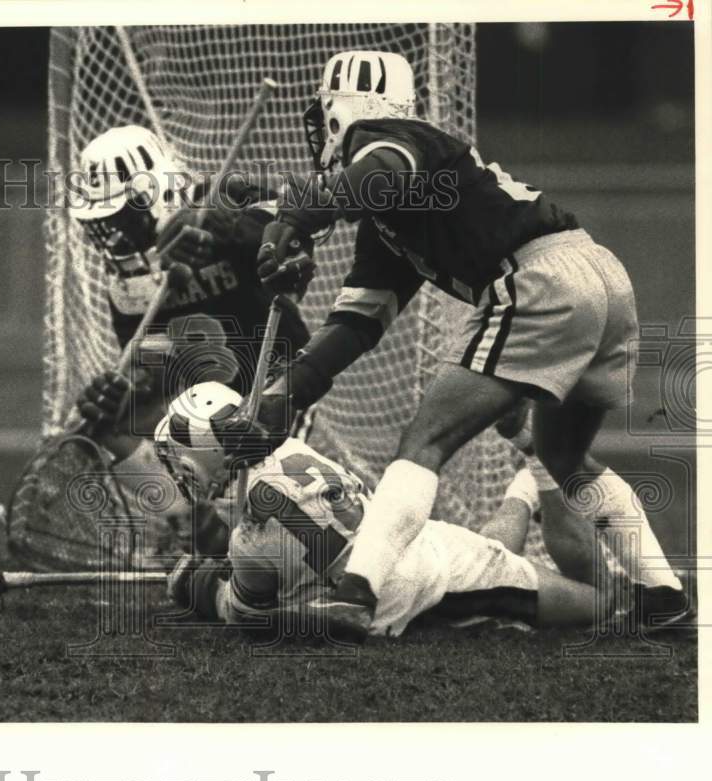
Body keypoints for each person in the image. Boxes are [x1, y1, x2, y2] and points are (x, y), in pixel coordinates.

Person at [216, 50, 643, 634]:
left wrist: (293, 217)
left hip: (542, 279)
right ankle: (663, 591)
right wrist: (288, 391)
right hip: (598, 276)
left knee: (424, 443)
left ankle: (356, 590)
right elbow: (358, 321)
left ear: (342, 112)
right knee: (560, 458)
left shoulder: (392, 141)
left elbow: (377, 174)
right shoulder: (392, 220)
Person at [156, 383, 685, 639]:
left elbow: (245, 615)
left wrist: (192, 584)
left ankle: (539, 462)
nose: (177, 473)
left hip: (427, 582)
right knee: (490, 550)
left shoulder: (250, 540)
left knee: (602, 603)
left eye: (179, 461)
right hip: (409, 548)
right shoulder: (292, 449)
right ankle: (523, 488)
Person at [68, 125, 312, 463]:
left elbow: (295, 229)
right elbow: (153, 368)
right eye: (103, 228)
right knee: (106, 427)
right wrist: (124, 393)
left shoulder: (221, 197)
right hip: (204, 405)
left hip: (277, 383)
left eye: (119, 221)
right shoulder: (127, 286)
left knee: (262, 492)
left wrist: (223, 227)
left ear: (151, 197)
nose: (112, 242)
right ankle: (179, 514)